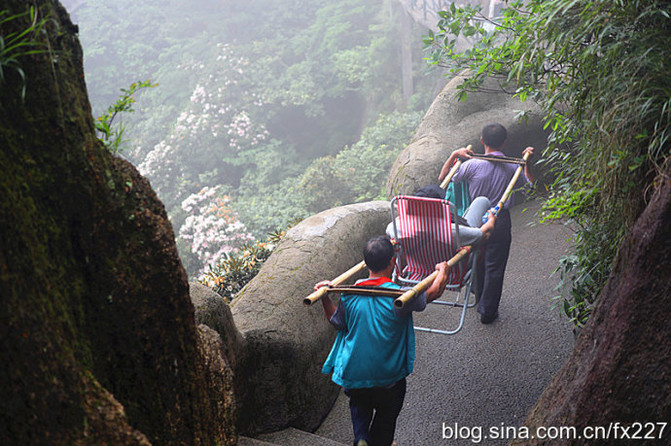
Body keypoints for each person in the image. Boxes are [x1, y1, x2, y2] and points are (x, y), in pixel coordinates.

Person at [314, 236, 450, 446]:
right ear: (392, 262)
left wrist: (324, 297)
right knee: (386, 418)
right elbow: (435, 291)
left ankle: (360, 438)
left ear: (366, 264)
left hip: (356, 373)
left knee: (359, 403)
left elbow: (337, 322)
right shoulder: (400, 297)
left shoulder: (350, 294)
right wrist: (442, 269)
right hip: (388, 378)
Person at [438, 123, 535, 324]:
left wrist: (453, 155)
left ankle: (479, 296)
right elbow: (530, 189)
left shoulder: (471, 165)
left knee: (478, 259)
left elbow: (443, 179)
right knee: (494, 266)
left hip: (476, 220)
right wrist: (527, 164)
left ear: (482, 141)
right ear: (504, 142)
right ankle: (488, 311)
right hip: (499, 219)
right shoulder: (512, 167)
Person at [385, 184, 497, 246]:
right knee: (482, 201)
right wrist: (491, 221)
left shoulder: (397, 228)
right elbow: (483, 235)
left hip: (417, 268)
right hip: (453, 267)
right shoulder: (450, 230)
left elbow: (389, 229)